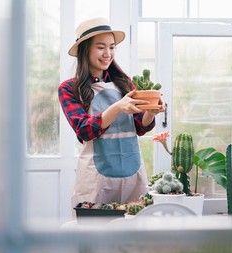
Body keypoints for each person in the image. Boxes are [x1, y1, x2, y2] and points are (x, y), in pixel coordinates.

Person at [58, 17, 165, 208]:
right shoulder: (69, 89)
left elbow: (140, 126)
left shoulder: (124, 83)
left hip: (132, 173)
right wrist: (117, 107)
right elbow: (84, 130)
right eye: (100, 47)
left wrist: (151, 111)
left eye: (112, 47)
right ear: (85, 50)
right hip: (96, 179)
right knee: (95, 233)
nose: (108, 53)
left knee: (131, 233)